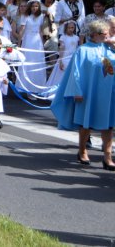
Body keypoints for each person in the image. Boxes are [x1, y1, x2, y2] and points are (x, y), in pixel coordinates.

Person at [50, 20, 115, 171]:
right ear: (94, 34)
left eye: (108, 33)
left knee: (108, 126)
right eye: (104, 33)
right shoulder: (83, 50)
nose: (107, 35)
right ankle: (82, 150)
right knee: (86, 124)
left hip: (108, 93)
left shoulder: (110, 49)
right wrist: (77, 91)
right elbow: (75, 72)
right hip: (88, 93)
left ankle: (107, 157)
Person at [16, 0, 47, 95]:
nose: (34, 8)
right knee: (27, 61)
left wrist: (42, 43)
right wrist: (19, 43)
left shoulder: (41, 16)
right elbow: (21, 30)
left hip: (37, 41)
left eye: (36, 6)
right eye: (33, 6)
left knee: (37, 62)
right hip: (28, 40)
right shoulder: (25, 16)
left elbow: (41, 31)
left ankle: (37, 88)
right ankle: (24, 87)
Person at [46, 21, 79, 87]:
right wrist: (60, 61)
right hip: (64, 58)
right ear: (66, 28)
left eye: (72, 28)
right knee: (61, 76)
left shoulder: (76, 38)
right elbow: (61, 49)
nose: (70, 29)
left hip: (73, 59)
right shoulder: (63, 37)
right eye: (69, 28)